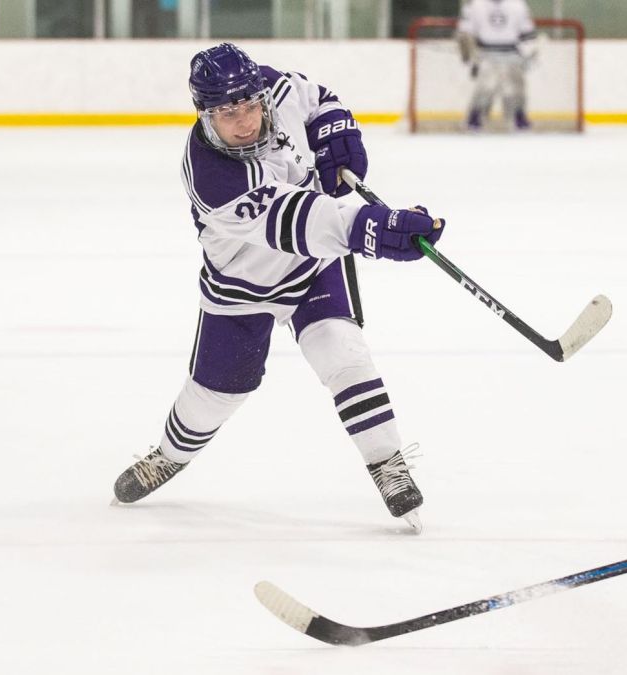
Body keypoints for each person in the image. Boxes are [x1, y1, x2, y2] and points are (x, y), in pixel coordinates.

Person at [111, 43, 444, 533]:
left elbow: (316, 96)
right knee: (216, 395)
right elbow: (307, 221)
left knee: (345, 356)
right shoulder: (213, 175)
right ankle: (168, 455)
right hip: (245, 286)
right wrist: (375, 228)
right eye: (227, 113)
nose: (244, 121)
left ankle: (387, 464)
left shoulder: (270, 86)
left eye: (249, 106)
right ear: (204, 113)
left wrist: (336, 125)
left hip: (312, 267)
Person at [456, 0, 537, 131]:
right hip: (486, 53)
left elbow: (527, 33)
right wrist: (469, 55)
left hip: (512, 53)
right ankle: (475, 117)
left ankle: (518, 116)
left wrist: (528, 54)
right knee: (484, 88)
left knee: (516, 88)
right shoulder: (475, 5)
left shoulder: (518, 4)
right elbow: (465, 32)